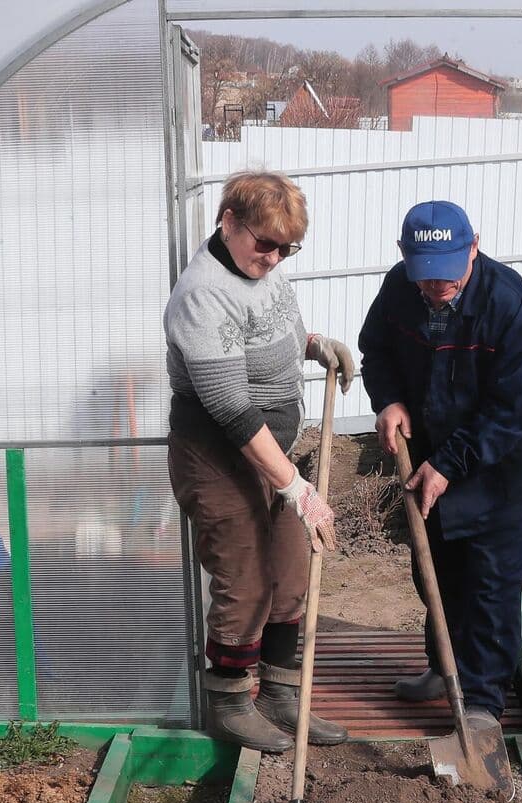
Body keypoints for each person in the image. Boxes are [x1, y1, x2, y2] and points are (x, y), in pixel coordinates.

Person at [165, 171, 357, 753]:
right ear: (229, 222)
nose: (274, 258)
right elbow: (231, 406)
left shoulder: (262, 268)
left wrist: (315, 345)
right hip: (218, 455)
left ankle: (280, 692)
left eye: (287, 248)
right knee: (246, 578)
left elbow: (272, 330)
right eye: (266, 244)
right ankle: (229, 700)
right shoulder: (203, 294)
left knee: (290, 570)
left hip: (270, 452)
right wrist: (296, 488)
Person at [358, 200, 522, 729]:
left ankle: (481, 703)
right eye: (425, 274)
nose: (436, 286)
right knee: (435, 573)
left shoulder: (511, 305)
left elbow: (511, 410)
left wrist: (449, 464)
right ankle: (445, 667)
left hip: (496, 472)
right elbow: (376, 351)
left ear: (474, 247)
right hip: (429, 462)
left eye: (447, 273)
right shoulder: (399, 289)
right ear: (404, 255)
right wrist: (388, 400)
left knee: (490, 588)